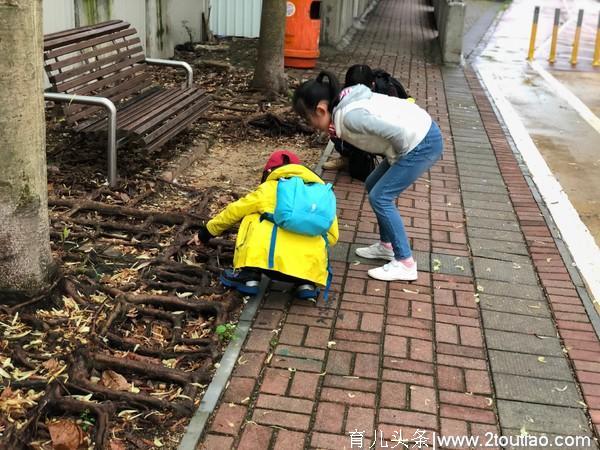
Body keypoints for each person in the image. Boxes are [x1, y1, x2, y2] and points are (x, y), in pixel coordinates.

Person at [293, 71, 443, 282]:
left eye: (309, 120)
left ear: (320, 109)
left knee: (381, 197)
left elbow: (397, 135)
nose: (311, 126)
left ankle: (405, 263)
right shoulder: (344, 101)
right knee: (373, 184)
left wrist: (398, 159)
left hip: (421, 143)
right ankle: (387, 246)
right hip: (419, 135)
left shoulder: (351, 117)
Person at [189, 150, 339, 299]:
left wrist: (205, 233)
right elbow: (332, 237)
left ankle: (250, 276)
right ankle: (305, 284)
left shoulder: (269, 188)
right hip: (307, 268)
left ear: (269, 171)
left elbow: (233, 212)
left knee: (253, 216)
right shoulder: (322, 194)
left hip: (268, 265)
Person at [323, 64, 412, 175]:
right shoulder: (344, 94)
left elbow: (396, 127)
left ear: (373, 84)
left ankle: (390, 162)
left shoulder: (387, 90)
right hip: (363, 130)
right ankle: (346, 157)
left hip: (389, 132)